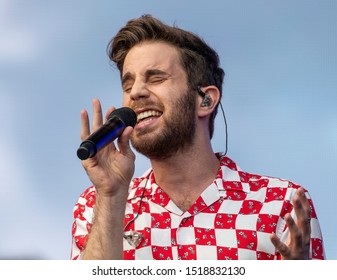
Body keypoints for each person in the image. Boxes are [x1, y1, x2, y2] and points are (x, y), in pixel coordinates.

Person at [71, 15, 325, 260]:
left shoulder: (281, 203)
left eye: (156, 78)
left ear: (206, 100)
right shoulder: (96, 204)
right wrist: (112, 197)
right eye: (127, 86)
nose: (135, 92)